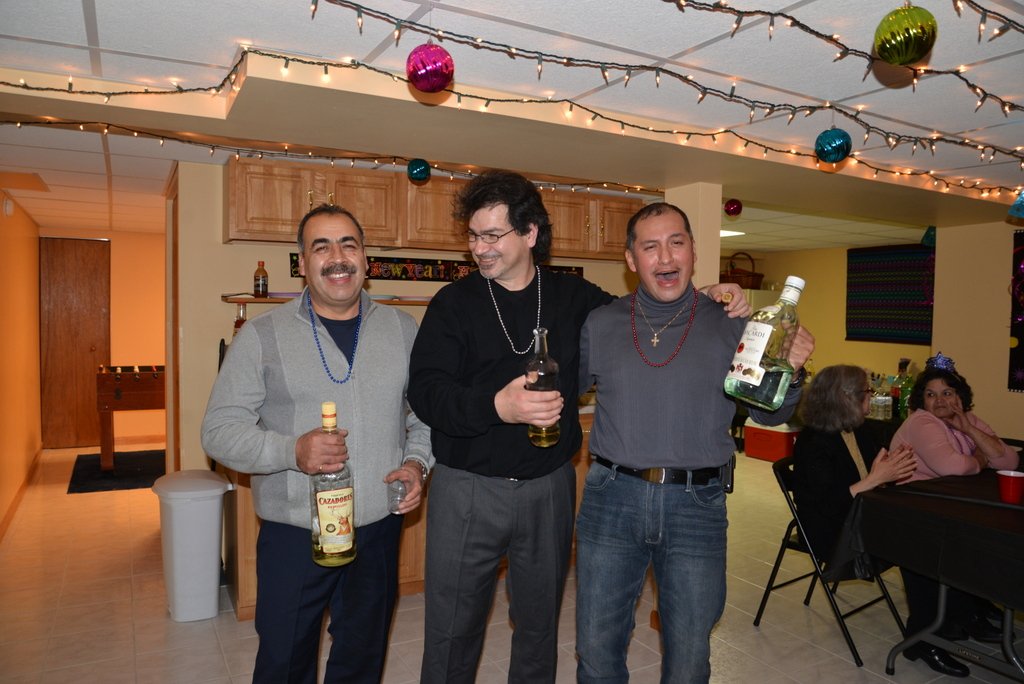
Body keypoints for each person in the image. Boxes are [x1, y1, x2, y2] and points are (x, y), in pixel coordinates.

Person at [407, 172, 747, 684]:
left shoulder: (577, 299)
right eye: (473, 236)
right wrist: (497, 405)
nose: (479, 248)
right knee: (452, 631)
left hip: (548, 489)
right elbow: (427, 394)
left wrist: (712, 296)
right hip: (468, 489)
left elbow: (650, 309)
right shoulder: (452, 304)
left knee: (540, 629)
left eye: (493, 235)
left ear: (530, 233)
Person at [574, 201, 815, 684]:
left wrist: (792, 371)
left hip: (697, 506)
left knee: (689, 659)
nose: (666, 257)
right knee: (597, 652)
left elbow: (771, 413)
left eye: (676, 242)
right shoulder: (601, 323)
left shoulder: (733, 323)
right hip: (611, 500)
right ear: (631, 260)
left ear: (693, 251)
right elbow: (560, 394)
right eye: (651, 247)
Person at [201, 204, 433, 684]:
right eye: (321, 247)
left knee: (362, 658)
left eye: (349, 244)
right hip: (295, 534)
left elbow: (425, 415)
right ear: (303, 263)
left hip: (377, 528)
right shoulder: (262, 336)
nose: (337, 257)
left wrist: (416, 464)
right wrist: (291, 452)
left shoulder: (403, 330)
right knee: (284, 662)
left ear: (365, 259)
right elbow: (219, 430)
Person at [887, 352, 1019, 677]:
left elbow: (1010, 462)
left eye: (947, 392)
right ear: (922, 400)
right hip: (908, 512)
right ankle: (924, 639)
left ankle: (966, 613)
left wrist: (970, 430)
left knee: (985, 538)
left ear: (959, 397)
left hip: (946, 506)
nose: (940, 401)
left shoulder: (967, 418)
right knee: (959, 547)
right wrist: (981, 459)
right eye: (931, 394)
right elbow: (953, 466)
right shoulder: (921, 422)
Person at [791, 364, 917, 560]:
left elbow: (872, 476)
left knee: (920, 527)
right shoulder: (813, 442)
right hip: (829, 530)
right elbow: (830, 505)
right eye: (867, 391)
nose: (871, 395)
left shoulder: (858, 429)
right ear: (847, 398)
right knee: (916, 538)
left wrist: (891, 468)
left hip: (858, 516)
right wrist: (875, 479)